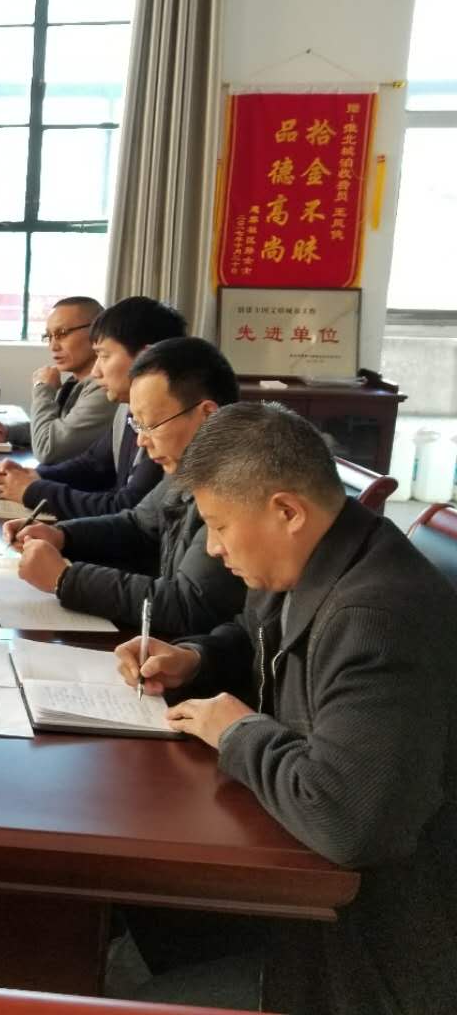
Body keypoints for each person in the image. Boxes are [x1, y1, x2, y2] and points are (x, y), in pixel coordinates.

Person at [113, 402, 457, 1013]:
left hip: (361, 957)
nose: (214, 547)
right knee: (123, 917)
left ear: (288, 512)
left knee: (119, 980)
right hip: (302, 896)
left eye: (219, 526)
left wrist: (239, 733)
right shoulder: (313, 560)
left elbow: (347, 820)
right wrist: (194, 658)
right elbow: (256, 641)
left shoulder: (377, 617)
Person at [5, 337, 245, 636]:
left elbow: (189, 605)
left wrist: (65, 578)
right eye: (137, 425)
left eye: (151, 425)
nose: (142, 440)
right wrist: (62, 536)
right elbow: (138, 526)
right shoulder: (191, 463)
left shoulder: (240, 482)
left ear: (207, 414)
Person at [0, 296, 183, 520]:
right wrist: (33, 476)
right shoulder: (125, 406)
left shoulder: (171, 421)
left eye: (104, 355)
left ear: (145, 358)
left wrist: (33, 490)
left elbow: (129, 507)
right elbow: (93, 464)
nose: (96, 371)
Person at [0, 297, 115, 464]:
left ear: (96, 331)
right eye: (49, 336)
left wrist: (42, 388)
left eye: (62, 333)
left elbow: (48, 448)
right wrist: (7, 432)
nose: (53, 346)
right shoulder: (74, 382)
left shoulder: (106, 388)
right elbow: (58, 427)